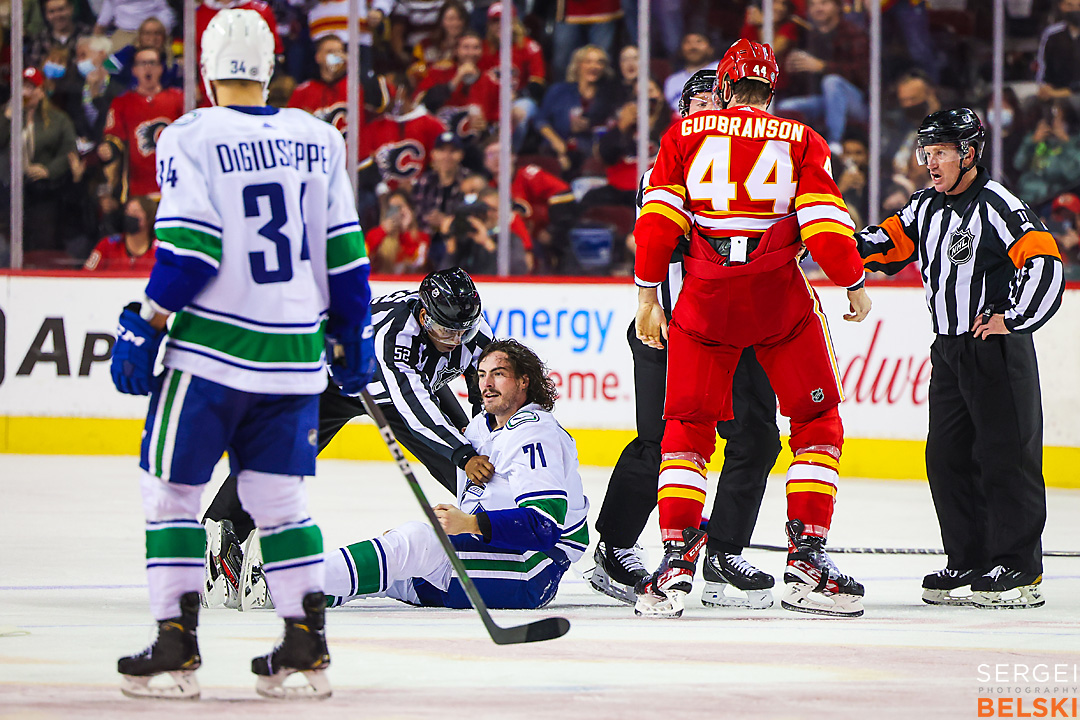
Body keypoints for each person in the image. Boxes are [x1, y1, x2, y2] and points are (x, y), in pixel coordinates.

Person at [109, 9, 375, 699]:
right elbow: (345, 255)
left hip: (212, 351)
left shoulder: (189, 134)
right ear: (272, 64)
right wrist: (351, 333)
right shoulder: (319, 138)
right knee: (279, 502)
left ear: (204, 66)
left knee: (170, 493)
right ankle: (305, 646)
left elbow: (193, 248)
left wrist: (147, 317)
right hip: (292, 354)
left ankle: (175, 646)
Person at [632, 39, 872, 620]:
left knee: (686, 428)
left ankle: (674, 567)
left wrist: (647, 294)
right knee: (816, 420)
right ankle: (807, 562)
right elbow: (823, 225)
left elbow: (658, 220)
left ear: (722, 89)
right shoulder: (803, 140)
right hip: (778, 299)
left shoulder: (685, 135)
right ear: (772, 89)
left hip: (705, 299)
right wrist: (853, 281)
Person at [588, 68, 782, 611]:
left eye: (714, 104)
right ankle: (616, 547)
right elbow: (667, 244)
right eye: (695, 105)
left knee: (758, 438)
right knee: (663, 444)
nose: (705, 115)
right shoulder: (667, 167)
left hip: (738, 332)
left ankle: (722, 551)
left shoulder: (758, 168)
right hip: (673, 330)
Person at [858, 108, 1064, 610]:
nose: (929, 162)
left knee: (1005, 458)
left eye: (940, 152)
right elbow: (887, 243)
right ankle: (969, 558)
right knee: (946, 458)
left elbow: (1045, 259)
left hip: (995, 348)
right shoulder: (924, 205)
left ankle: (1019, 566)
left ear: (968, 154)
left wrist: (1012, 318)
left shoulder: (998, 204)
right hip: (948, 350)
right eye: (926, 152)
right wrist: (830, 242)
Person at [201, 267, 496, 610]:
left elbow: (483, 384)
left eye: (464, 331)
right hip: (327, 381)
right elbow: (413, 408)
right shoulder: (393, 337)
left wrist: (479, 432)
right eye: (447, 330)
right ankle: (219, 532)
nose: (457, 340)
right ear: (424, 314)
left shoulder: (469, 330)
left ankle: (502, 520)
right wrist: (462, 452)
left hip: (412, 381)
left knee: (467, 456)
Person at [247, 339, 590, 611]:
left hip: (533, 568)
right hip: (495, 553)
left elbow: (544, 528)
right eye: (481, 374)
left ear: (524, 381)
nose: (486, 383)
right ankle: (295, 592)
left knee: (415, 543)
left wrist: (470, 526)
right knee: (392, 559)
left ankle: (289, 582)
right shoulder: (480, 430)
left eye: (498, 374)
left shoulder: (534, 433)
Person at [0, 66, 77, 255]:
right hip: (9, 187)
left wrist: (49, 170)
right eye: (22, 87)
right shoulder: (6, 114)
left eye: (30, 87)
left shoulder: (58, 119)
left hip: (42, 189)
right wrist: (7, 117)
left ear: (41, 91)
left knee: (42, 236)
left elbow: (69, 150)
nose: (25, 92)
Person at [775, 0, 868, 153]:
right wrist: (793, 69)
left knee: (831, 82)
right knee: (785, 107)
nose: (818, 8)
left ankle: (834, 143)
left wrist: (822, 67)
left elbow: (863, 75)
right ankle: (790, 153)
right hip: (824, 101)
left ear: (838, 7)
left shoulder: (853, 33)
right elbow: (804, 85)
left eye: (824, 3)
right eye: (813, 4)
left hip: (857, 103)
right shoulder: (807, 35)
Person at [98, 46, 183, 203]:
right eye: (142, 63)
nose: (147, 68)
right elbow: (114, 137)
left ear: (160, 68)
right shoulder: (121, 103)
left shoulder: (178, 99)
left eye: (152, 63)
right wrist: (109, 148)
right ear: (134, 70)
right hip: (137, 191)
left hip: (174, 188)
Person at [83, 195, 158, 271]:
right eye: (127, 212)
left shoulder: (159, 249)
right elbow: (85, 275)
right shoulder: (107, 245)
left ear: (149, 218)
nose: (130, 216)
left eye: (135, 213)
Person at [366, 188, 431, 273]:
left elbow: (417, 263)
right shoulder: (375, 234)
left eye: (400, 207)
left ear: (410, 209)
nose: (397, 213)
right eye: (393, 208)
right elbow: (365, 256)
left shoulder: (422, 237)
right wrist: (383, 230)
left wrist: (406, 232)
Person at [1035, 0, 1080, 102]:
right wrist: (1045, 87)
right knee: (1031, 102)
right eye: (1070, 5)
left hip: (1073, 94)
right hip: (1055, 93)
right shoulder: (1051, 34)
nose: (1075, 10)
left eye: (1079, 6)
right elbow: (1043, 67)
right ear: (1061, 6)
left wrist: (1066, 92)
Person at [663, 32, 716, 114]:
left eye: (699, 41)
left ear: (711, 48)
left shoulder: (720, 69)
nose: (693, 47)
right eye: (688, 42)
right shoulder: (672, 81)